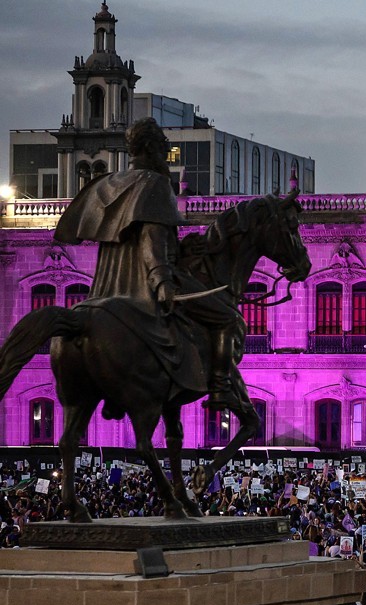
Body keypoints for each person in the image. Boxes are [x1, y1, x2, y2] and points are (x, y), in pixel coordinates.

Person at [55, 117, 242, 410]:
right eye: (162, 149)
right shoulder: (154, 183)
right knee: (228, 316)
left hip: (109, 287)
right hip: (148, 283)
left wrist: (181, 248)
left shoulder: (106, 185)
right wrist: (163, 282)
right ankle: (220, 388)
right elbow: (151, 240)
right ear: (150, 148)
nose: (164, 157)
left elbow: (134, 236)